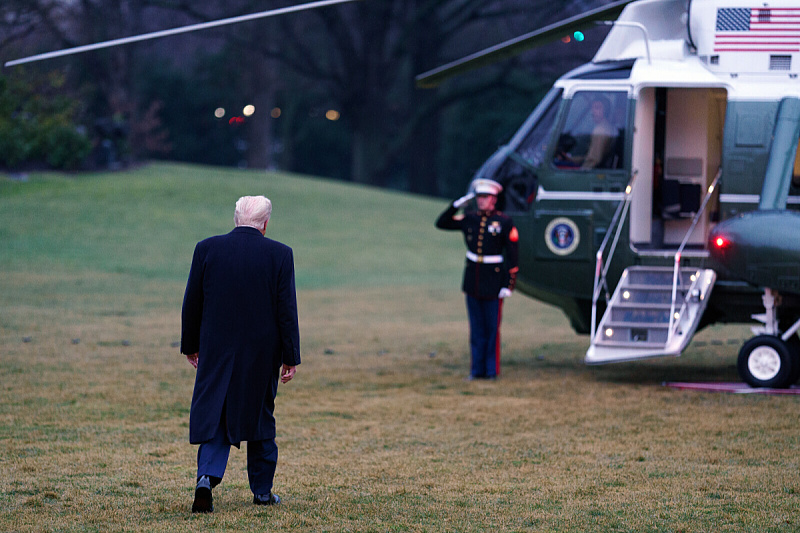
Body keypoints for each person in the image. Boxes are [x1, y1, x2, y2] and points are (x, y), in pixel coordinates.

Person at [181, 195, 301, 513]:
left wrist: (190, 346)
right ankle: (262, 492)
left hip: (216, 348)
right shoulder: (280, 254)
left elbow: (192, 303)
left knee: (216, 414)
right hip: (263, 353)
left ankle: (206, 478)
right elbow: (286, 311)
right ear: (265, 223)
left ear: (236, 218)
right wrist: (291, 357)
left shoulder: (207, 249)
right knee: (260, 416)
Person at [435, 179, 519, 380]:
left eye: (485, 197)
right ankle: (476, 370)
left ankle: (491, 371)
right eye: (479, 197)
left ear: (494, 199)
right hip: (473, 280)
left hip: (494, 281)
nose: (481, 201)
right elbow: (441, 223)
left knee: (492, 329)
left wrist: (509, 284)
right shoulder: (469, 218)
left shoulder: (504, 222)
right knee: (476, 329)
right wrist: (456, 205)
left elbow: (513, 256)